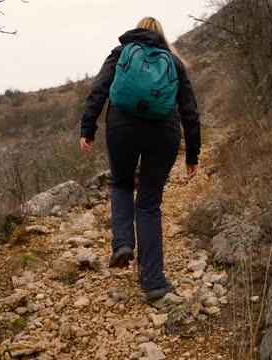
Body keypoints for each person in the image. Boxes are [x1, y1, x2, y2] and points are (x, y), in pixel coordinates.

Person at [79, 17, 201, 302]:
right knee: (148, 204)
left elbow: (98, 90)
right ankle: (153, 282)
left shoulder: (122, 52)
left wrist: (88, 128)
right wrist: (192, 153)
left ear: (138, 30)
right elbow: (190, 110)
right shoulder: (173, 61)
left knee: (121, 184)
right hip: (164, 132)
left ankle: (122, 243)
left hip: (122, 128)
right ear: (161, 35)